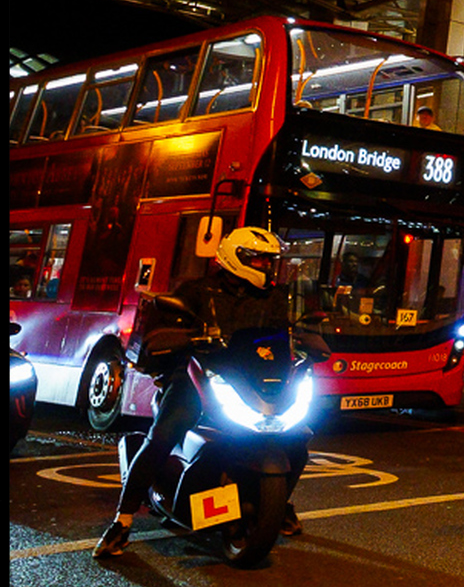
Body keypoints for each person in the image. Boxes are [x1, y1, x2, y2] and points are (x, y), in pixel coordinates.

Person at [95, 227, 309, 558]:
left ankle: (277, 504)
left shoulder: (274, 297)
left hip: (249, 380)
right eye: (260, 260)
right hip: (196, 375)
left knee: (298, 435)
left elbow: (285, 336)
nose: (267, 267)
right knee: (165, 432)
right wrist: (181, 338)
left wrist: (306, 344)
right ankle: (122, 522)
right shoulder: (197, 291)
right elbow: (161, 330)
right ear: (236, 259)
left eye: (271, 261)